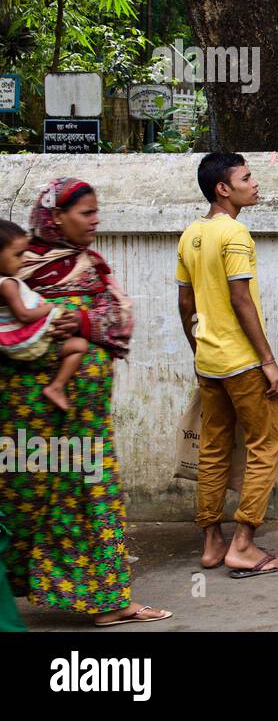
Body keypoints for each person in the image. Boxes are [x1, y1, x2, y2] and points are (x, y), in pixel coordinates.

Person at [0, 177, 171, 625]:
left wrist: (75, 318)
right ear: (55, 217)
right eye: (86, 213)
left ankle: (108, 600)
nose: (96, 221)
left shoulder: (91, 265)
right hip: (29, 411)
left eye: (97, 212)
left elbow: (117, 318)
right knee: (26, 496)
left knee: (90, 494)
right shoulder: (15, 267)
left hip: (85, 414)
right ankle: (48, 589)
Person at [177, 153, 278, 579]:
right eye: (246, 177)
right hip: (243, 362)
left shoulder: (191, 234)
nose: (254, 183)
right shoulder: (236, 233)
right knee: (264, 445)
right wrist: (268, 360)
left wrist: (199, 348)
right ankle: (242, 544)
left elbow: (186, 302)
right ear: (223, 189)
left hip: (209, 361)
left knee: (214, 448)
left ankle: (211, 543)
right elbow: (241, 299)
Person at [0, 219, 89, 410]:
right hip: (27, 343)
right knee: (80, 345)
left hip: (14, 343)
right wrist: (49, 308)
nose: (24, 260)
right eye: (18, 255)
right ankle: (56, 387)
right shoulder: (7, 284)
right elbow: (24, 316)